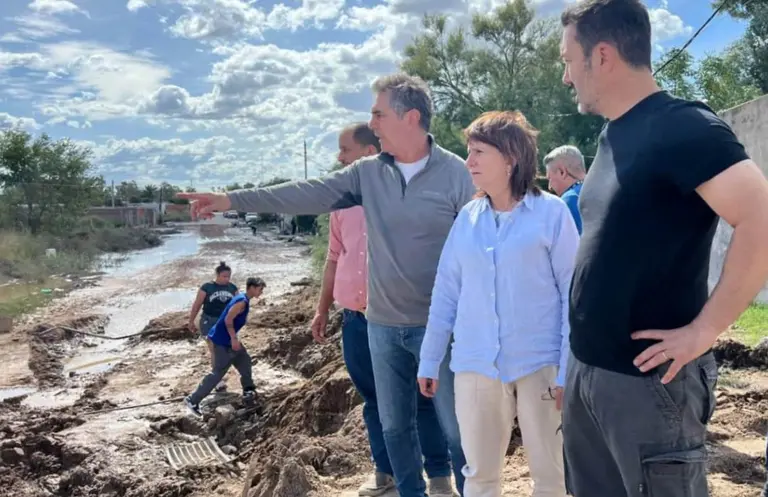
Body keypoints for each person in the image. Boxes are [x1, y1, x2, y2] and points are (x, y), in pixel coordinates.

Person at [177, 72, 474, 497]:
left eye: (377, 113)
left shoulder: (458, 175)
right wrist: (233, 200)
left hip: (440, 328)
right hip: (382, 326)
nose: (371, 123)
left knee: (457, 426)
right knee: (393, 426)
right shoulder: (367, 173)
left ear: (410, 117)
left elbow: (480, 252)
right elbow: (306, 192)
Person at [558, 1, 768, 496]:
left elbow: (761, 214)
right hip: (590, 372)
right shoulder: (613, 134)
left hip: (649, 386)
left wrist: (706, 329)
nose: (566, 77)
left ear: (603, 56)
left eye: (569, 61)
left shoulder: (683, 126)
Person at [418, 111, 577, 497]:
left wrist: (567, 369)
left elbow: (573, 293)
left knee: (551, 475)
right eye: (468, 152)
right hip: (474, 364)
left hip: (541, 363)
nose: (468, 161)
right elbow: (446, 291)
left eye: (477, 152)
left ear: (510, 157)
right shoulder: (466, 220)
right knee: (479, 477)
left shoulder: (551, 213)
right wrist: (429, 358)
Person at [312, 122, 454, 497]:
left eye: (345, 150)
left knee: (425, 400)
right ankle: (386, 474)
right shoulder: (341, 204)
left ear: (368, 151)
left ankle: (439, 476)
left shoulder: (400, 197)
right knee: (376, 402)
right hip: (357, 321)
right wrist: (322, 309)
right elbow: (333, 257)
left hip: (408, 318)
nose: (339, 159)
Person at [184, 277, 266, 417]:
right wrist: (234, 338)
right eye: (260, 289)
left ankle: (248, 389)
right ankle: (192, 400)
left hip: (228, 340)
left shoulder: (242, 298)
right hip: (222, 341)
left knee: (244, 360)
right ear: (251, 288)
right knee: (218, 372)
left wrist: (234, 339)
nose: (261, 292)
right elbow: (228, 319)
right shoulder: (241, 301)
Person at [188, 261, 239, 393]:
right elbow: (197, 304)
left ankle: (219, 373)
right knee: (214, 349)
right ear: (217, 275)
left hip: (225, 323)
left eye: (228, 276)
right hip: (208, 322)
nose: (226, 279)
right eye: (223, 276)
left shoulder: (232, 288)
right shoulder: (207, 287)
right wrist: (191, 321)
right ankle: (218, 381)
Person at [543, 145, 585, 234]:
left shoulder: (569, 200)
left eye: (550, 178)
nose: (549, 187)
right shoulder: (602, 191)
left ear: (562, 172)